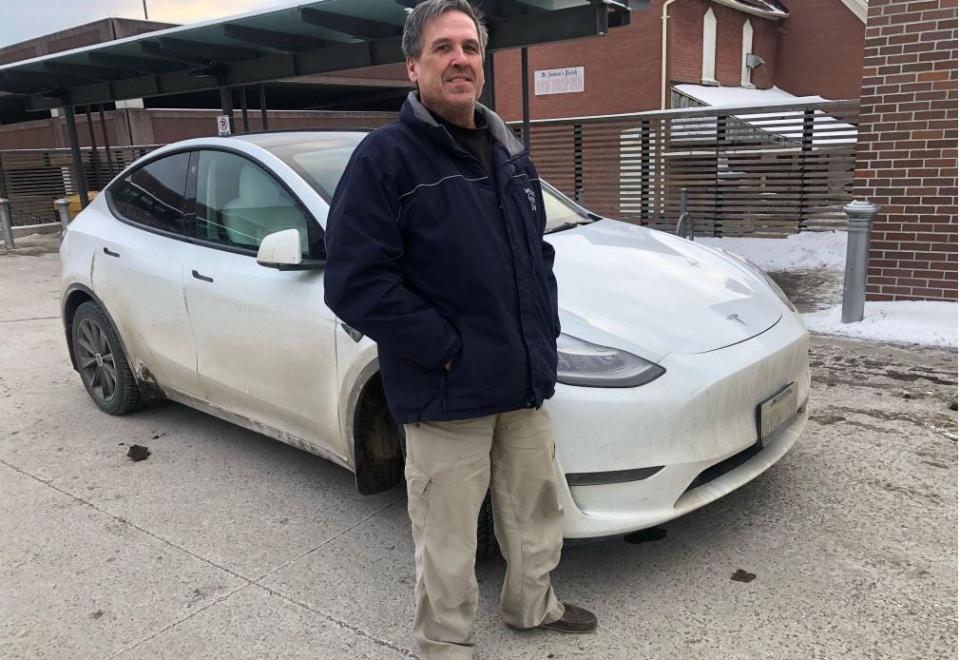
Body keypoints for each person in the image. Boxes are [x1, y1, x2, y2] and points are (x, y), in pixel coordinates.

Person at [323, 1, 597, 657]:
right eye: (443, 48)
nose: (460, 60)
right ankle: (443, 645)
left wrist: (544, 331)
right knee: (446, 536)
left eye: (471, 47)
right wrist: (446, 349)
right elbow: (355, 282)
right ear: (413, 65)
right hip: (447, 392)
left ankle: (532, 606)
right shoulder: (386, 159)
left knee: (535, 511)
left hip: (521, 379)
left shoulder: (505, 150)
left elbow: (536, 254)